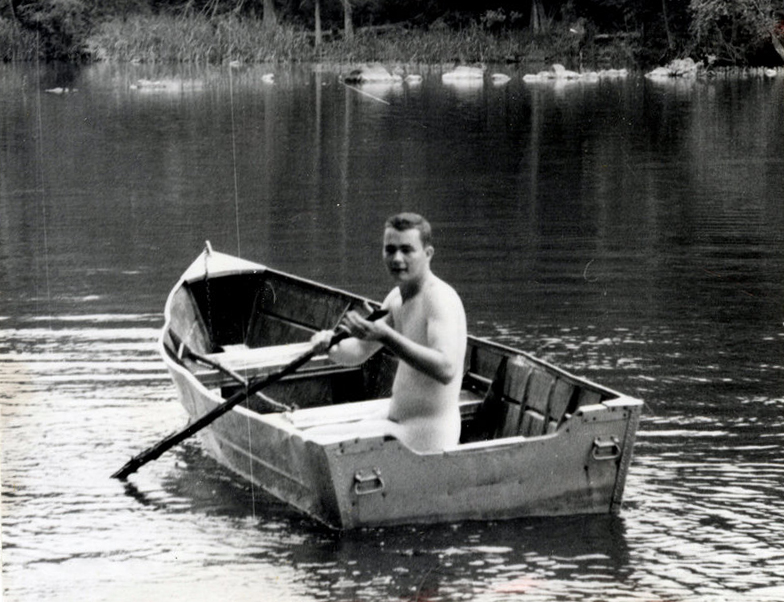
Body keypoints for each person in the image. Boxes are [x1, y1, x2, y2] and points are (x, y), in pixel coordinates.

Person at [306, 213, 467, 452]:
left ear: (428, 254)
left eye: (407, 250)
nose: (397, 258)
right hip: (397, 422)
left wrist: (385, 336)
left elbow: (446, 369)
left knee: (313, 442)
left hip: (426, 436)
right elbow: (359, 352)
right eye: (390, 250)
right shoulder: (395, 299)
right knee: (310, 435)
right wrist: (330, 346)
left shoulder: (438, 298)